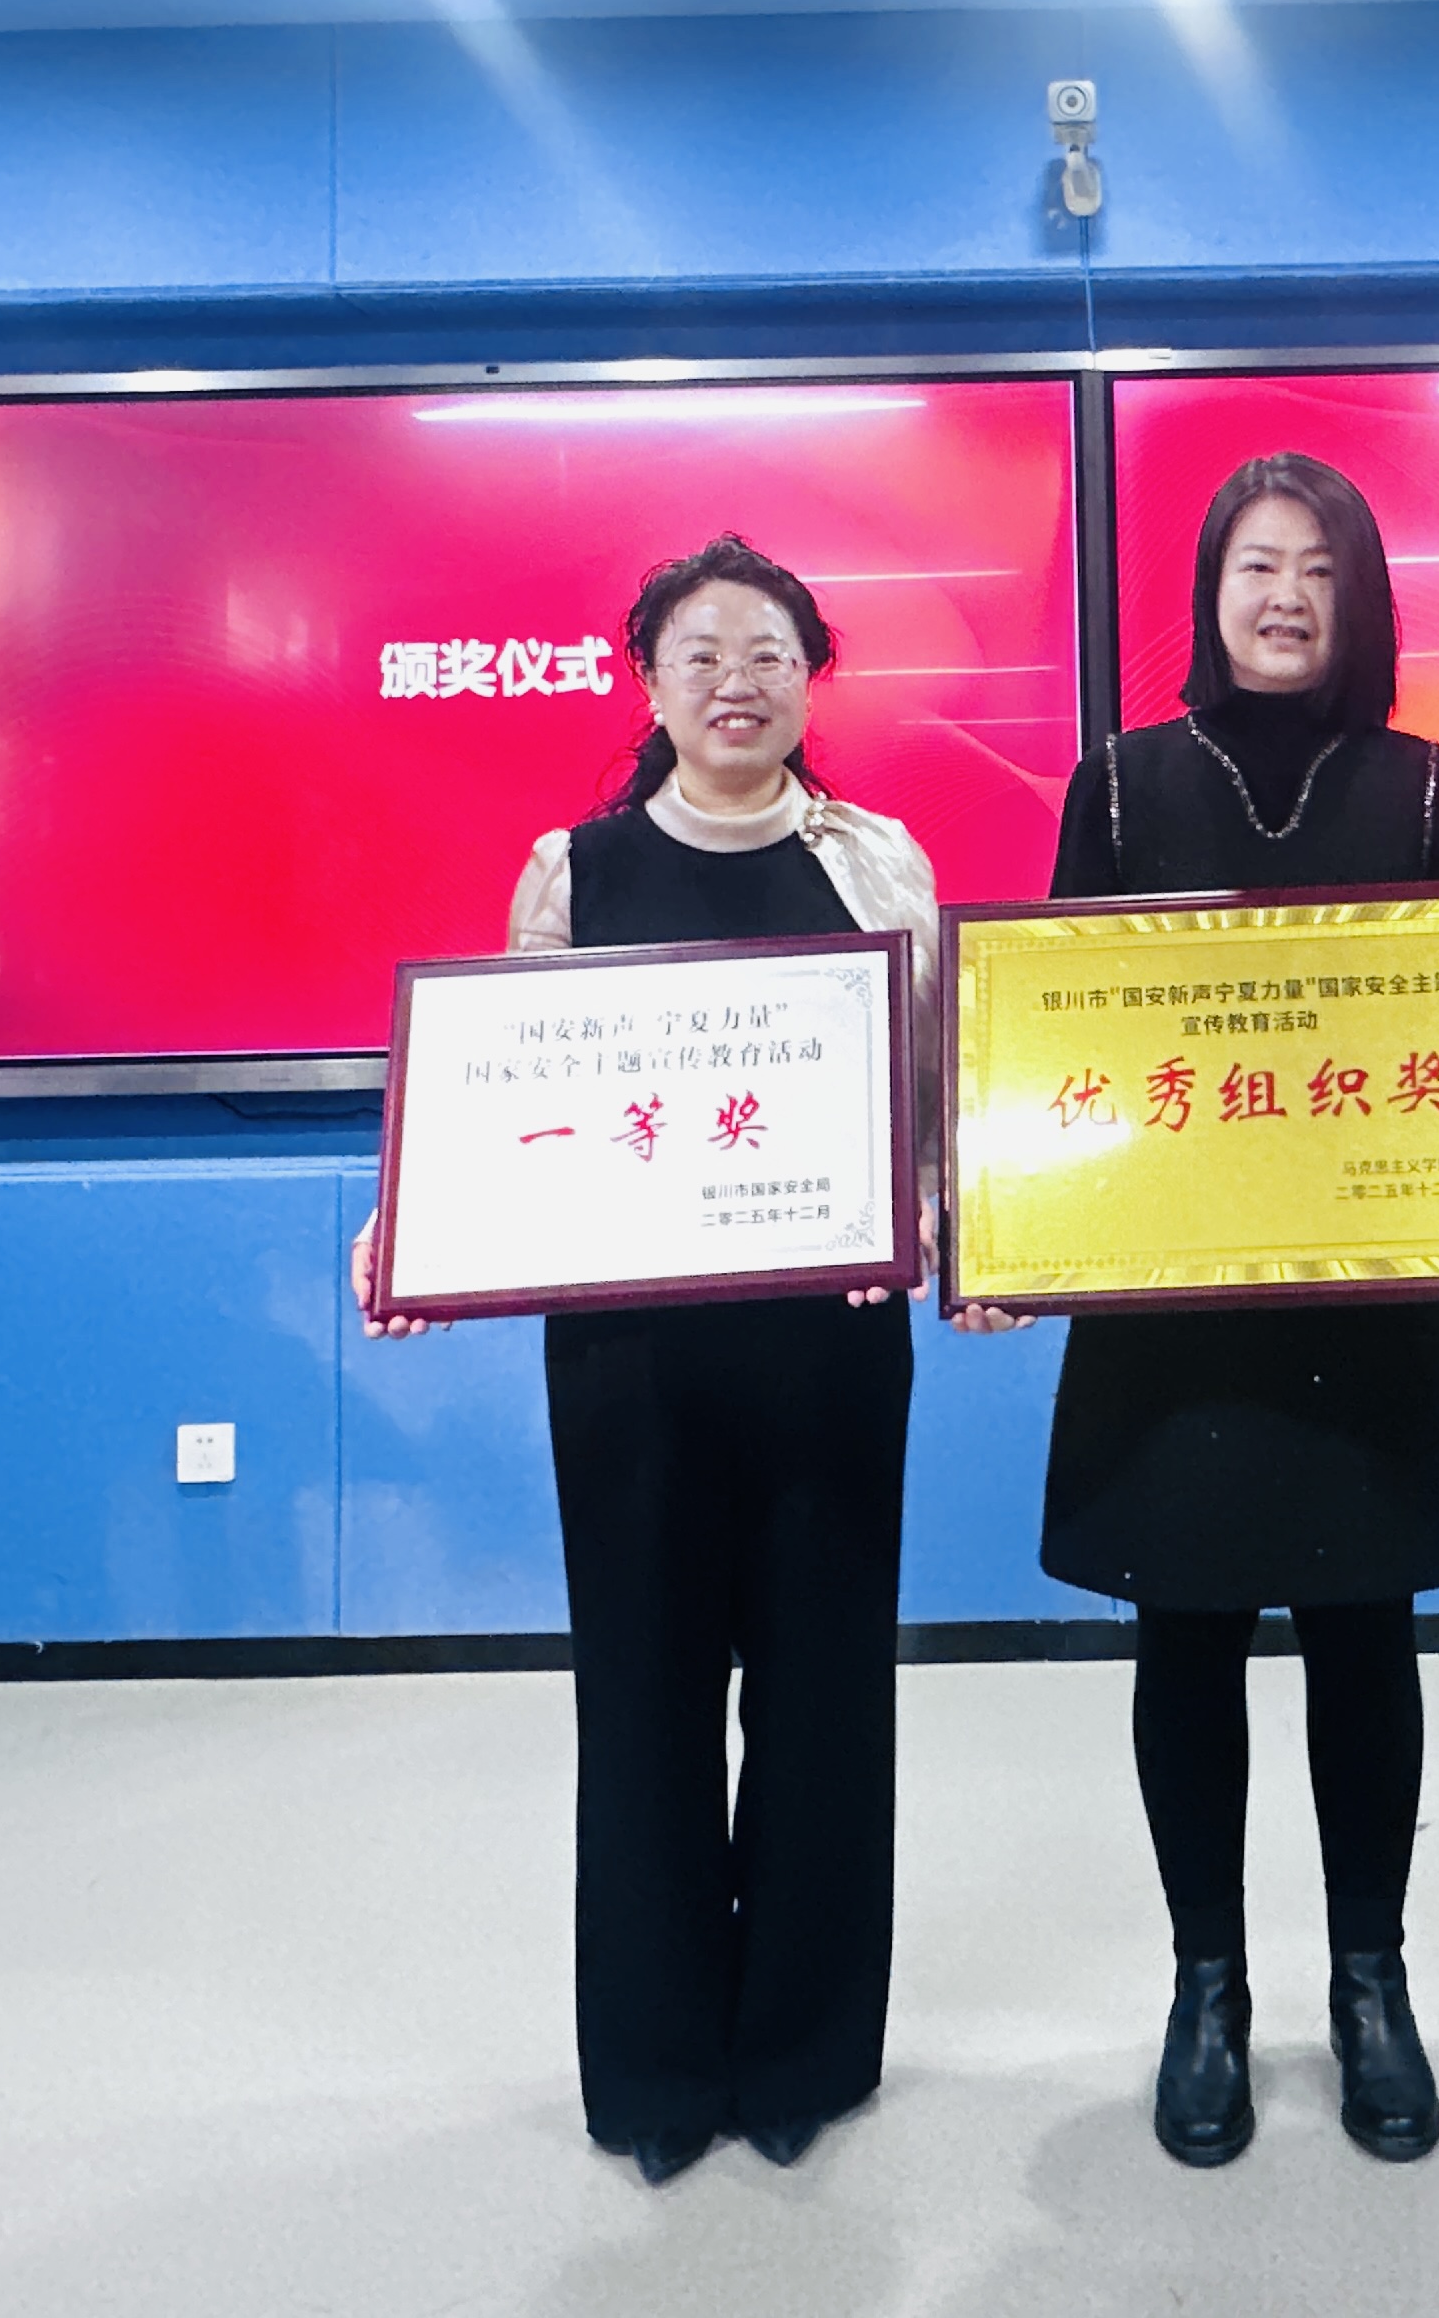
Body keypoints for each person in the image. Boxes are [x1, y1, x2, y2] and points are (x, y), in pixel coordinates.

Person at [354, 533, 939, 2188]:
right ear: (651, 683)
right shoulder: (576, 870)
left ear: (811, 680)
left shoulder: (876, 866)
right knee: (644, 1696)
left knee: (825, 1698)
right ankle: (660, 2068)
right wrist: (413, 1227)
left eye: (768, 655)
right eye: (702, 655)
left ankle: (804, 2052)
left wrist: (933, 1221)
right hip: (631, 1364)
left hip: (830, 1345)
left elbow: (934, 1097)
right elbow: (504, 1101)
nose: (736, 683)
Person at [950, 453, 1439, 2170]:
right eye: (1257, 564)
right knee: (1182, 1638)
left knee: (1364, 1637)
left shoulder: (1425, 786)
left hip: (1365, 1298)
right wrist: (1011, 1232)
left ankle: (1370, 1982)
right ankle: (1208, 1988)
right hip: (1168, 1307)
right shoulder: (1118, 784)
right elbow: (1059, 1047)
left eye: (1318, 570)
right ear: (1209, 589)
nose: (1284, 598)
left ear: (1360, 598)